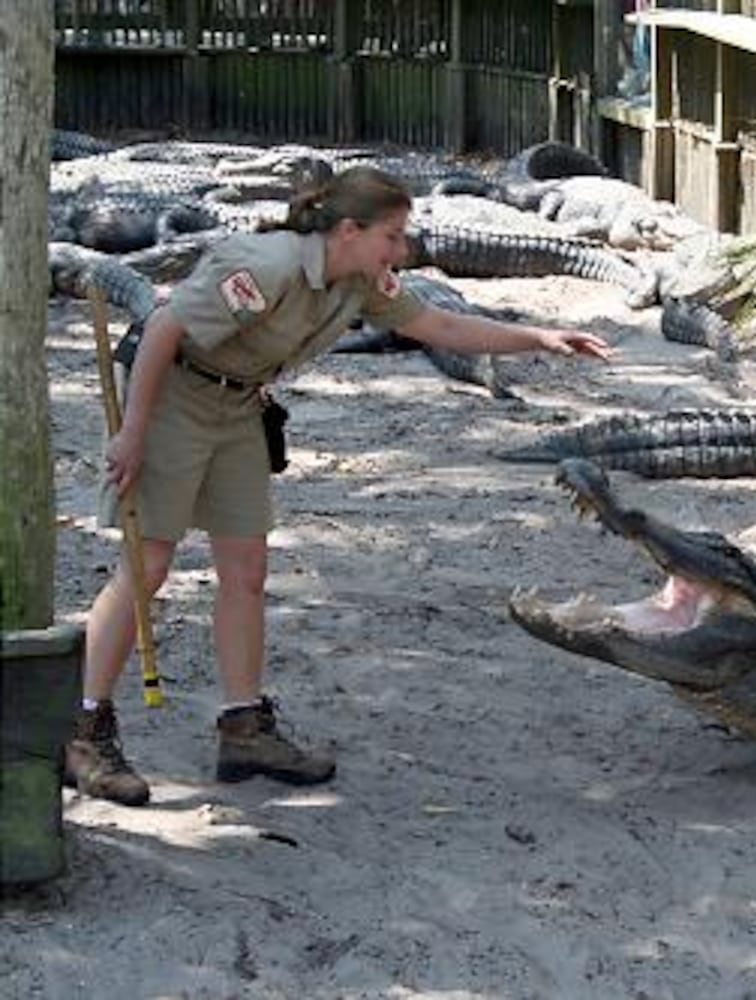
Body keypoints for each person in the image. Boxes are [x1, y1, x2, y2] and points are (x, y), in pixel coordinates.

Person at [66, 165, 613, 806]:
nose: (402, 251)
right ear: (349, 230)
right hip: (173, 400)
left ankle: (244, 727)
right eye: (393, 236)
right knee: (147, 564)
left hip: (240, 405)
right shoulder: (265, 265)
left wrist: (540, 338)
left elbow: (438, 327)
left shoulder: (358, 285)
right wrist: (132, 432)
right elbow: (162, 331)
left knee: (245, 568)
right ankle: (83, 730)